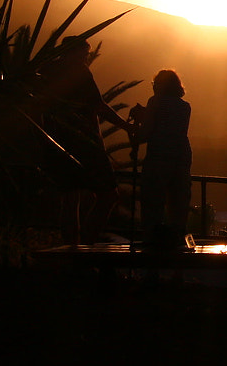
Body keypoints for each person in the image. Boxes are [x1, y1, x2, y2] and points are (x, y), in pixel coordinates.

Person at [35, 35, 133, 245]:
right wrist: (126, 126)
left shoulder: (47, 70)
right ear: (75, 52)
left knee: (70, 199)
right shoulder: (79, 71)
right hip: (84, 141)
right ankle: (87, 245)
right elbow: (98, 105)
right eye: (84, 53)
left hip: (56, 141)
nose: (86, 58)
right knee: (108, 195)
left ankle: (72, 249)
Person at [131, 69, 193, 248]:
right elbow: (170, 125)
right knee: (179, 205)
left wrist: (138, 121)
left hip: (159, 156)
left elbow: (146, 133)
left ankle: (151, 247)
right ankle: (179, 250)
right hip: (181, 157)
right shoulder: (184, 106)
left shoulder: (155, 101)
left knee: (152, 204)